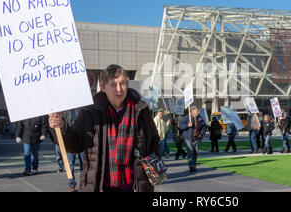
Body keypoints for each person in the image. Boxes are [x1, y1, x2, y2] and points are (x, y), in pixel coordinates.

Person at [48, 64, 160, 192]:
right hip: (100, 186)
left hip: (135, 187)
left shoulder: (141, 110)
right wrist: (61, 128)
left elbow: (154, 140)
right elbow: (75, 145)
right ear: (102, 87)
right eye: (113, 84)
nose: (119, 89)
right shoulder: (90, 112)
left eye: (123, 83)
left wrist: (151, 166)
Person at [179, 106, 207, 173]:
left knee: (195, 152)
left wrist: (201, 133)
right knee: (190, 151)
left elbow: (204, 126)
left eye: (198, 110)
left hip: (197, 138)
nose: (198, 112)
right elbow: (181, 127)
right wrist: (187, 126)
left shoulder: (200, 118)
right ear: (192, 111)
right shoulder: (186, 118)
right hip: (188, 138)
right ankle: (191, 166)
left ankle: (194, 165)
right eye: (197, 110)